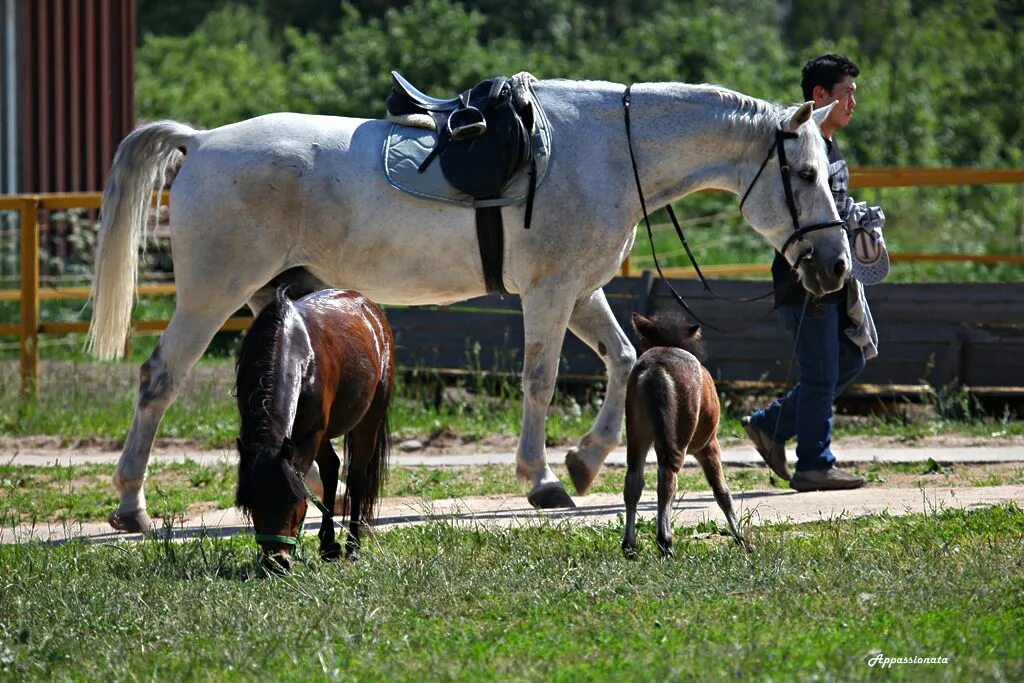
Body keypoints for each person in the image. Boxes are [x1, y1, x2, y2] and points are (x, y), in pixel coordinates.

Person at [742, 53, 889, 492]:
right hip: (808, 282)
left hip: (835, 281)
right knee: (823, 373)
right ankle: (814, 464)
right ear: (819, 95)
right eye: (847, 93)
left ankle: (771, 424)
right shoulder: (802, 146)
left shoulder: (827, 145)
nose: (853, 103)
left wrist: (858, 221)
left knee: (850, 359)